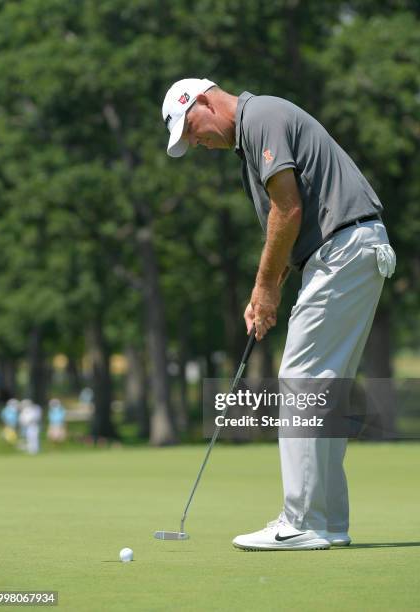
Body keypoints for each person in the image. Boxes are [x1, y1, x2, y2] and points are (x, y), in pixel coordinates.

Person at [161, 79, 396, 551]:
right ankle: (325, 521)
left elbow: (287, 211)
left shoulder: (260, 118)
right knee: (321, 388)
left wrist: (265, 288)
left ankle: (303, 519)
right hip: (349, 251)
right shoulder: (251, 140)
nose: (198, 143)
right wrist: (266, 293)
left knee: (301, 380)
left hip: (344, 250)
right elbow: (290, 226)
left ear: (204, 101)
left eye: (192, 130)